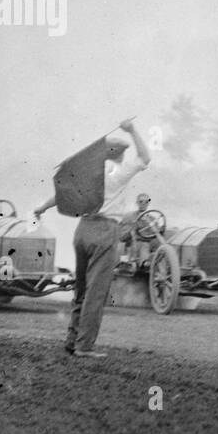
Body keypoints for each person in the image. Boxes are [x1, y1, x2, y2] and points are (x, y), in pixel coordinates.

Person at [34, 119, 150, 359]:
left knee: (81, 290)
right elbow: (145, 158)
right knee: (96, 293)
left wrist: (41, 208)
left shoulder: (88, 174)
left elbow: (61, 195)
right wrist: (132, 130)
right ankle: (84, 346)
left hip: (83, 229)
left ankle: (71, 339)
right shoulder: (118, 173)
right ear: (120, 154)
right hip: (105, 231)